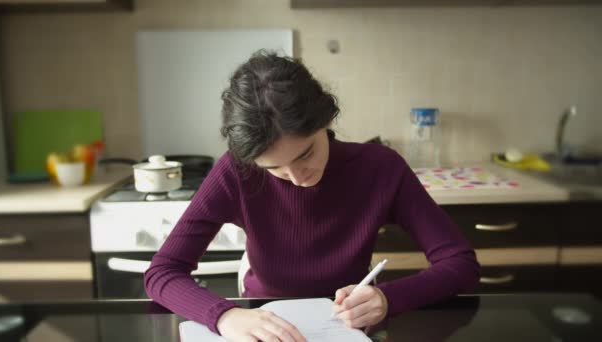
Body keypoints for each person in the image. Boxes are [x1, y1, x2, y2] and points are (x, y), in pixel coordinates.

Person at [144, 50, 480, 342]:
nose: (295, 177)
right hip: (263, 321)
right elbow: (162, 272)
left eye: (305, 155)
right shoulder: (236, 170)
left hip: (349, 323)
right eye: (274, 167)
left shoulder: (380, 168)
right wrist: (224, 316)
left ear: (326, 119)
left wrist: (389, 298)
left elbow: (461, 264)